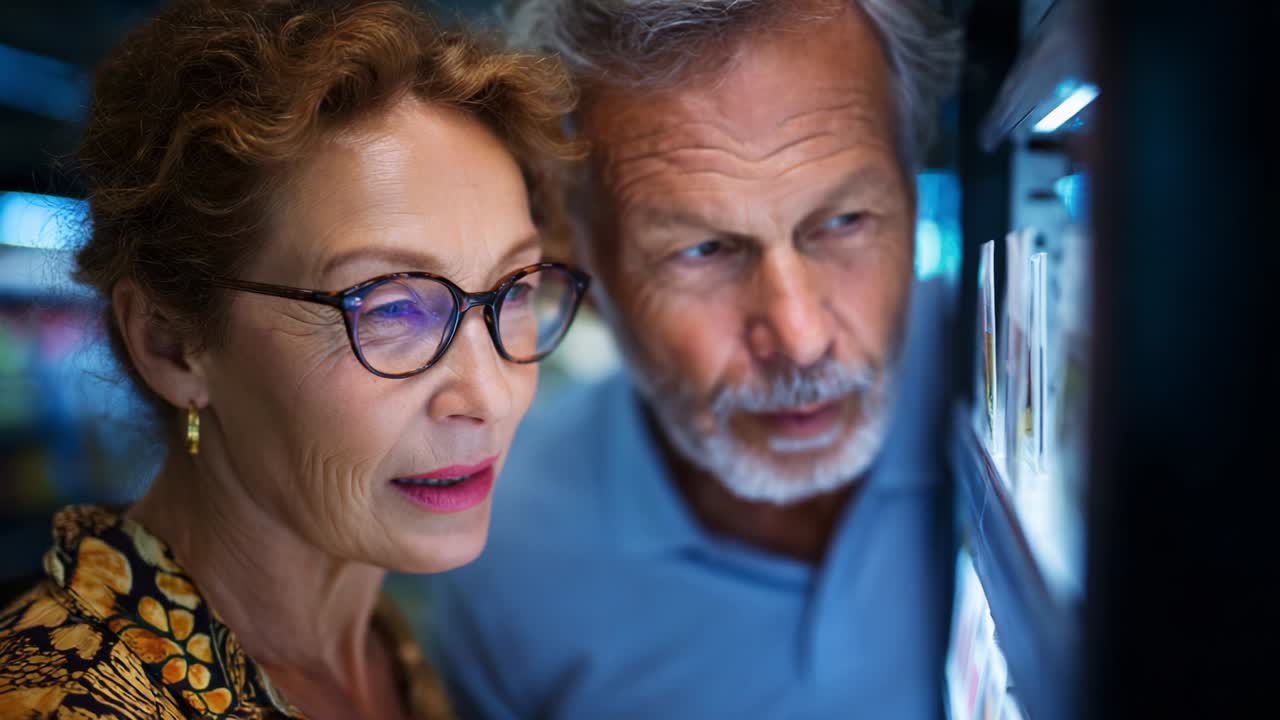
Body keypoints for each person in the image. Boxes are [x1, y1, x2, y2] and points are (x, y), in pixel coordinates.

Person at [0, 1, 590, 718]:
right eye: (392, 308)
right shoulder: (65, 701)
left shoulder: (379, 646)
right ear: (171, 344)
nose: (491, 396)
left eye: (515, 289)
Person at [424, 0, 963, 718]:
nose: (800, 339)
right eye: (702, 251)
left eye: (843, 222)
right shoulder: (504, 551)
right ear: (574, 255)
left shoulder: (1054, 396)